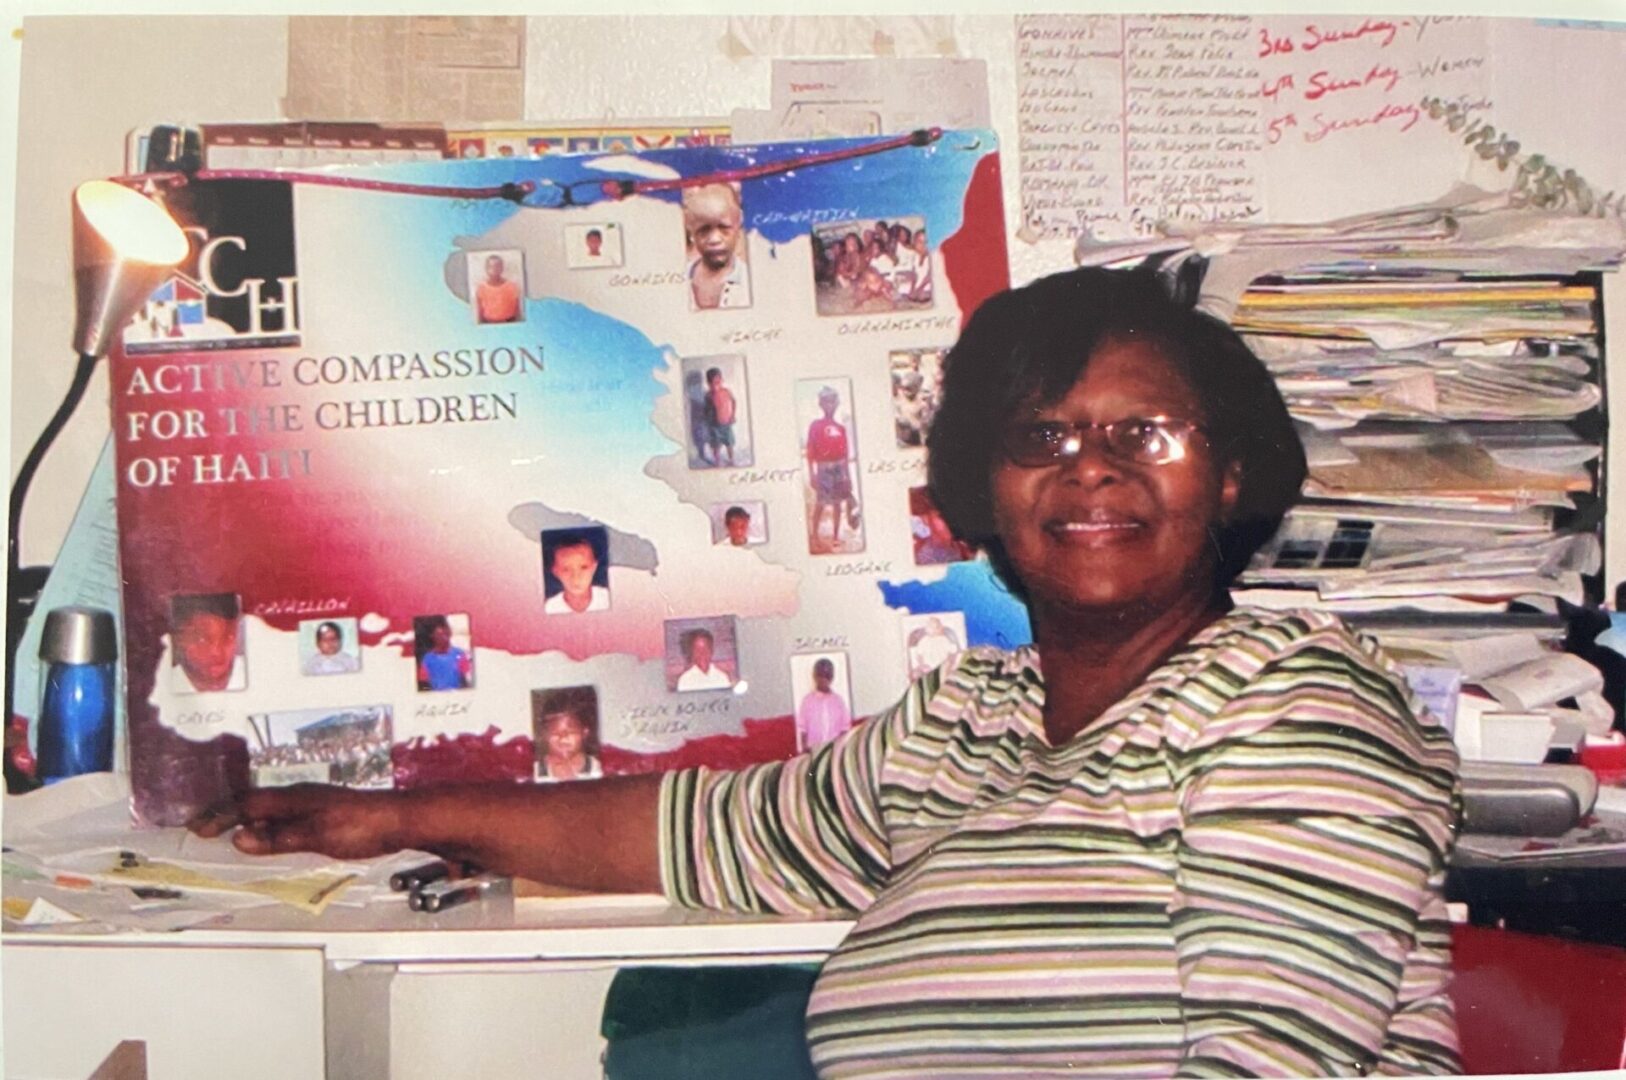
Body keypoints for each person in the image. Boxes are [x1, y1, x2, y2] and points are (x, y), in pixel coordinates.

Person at [198, 268, 1460, 1078]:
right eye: (1041, 436)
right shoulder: (969, 728)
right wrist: (391, 814)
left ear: (1230, 475)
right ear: (984, 491)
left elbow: (1276, 1061)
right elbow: (699, 829)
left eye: (1145, 432)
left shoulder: (1298, 706)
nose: (1090, 468)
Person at [805, 386, 859, 552]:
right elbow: (810, 451)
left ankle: (835, 536)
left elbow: (845, 455)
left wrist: (848, 477)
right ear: (821, 404)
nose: (830, 405)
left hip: (839, 470)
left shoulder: (841, 428)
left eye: (833, 401)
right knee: (821, 503)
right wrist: (812, 474)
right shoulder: (815, 425)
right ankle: (814, 535)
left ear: (837, 404)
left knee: (837, 504)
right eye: (826, 401)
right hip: (823, 469)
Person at [682, 183, 751, 310]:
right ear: (691, 230)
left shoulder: (749, 282)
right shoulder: (679, 279)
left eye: (724, 227)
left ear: (738, 222)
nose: (714, 239)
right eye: (704, 230)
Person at [172, 592, 246, 693]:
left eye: (228, 637)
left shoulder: (259, 673)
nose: (216, 652)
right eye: (202, 640)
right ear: (179, 639)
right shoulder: (161, 687)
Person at [535, 690, 603, 783]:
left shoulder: (598, 769)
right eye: (555, 732)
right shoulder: (535, 772)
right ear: (545, 735)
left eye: (570, 732)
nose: (562, 738)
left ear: (584, 733)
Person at [543, 533, 610, 614]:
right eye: (566, 570)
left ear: (594, 567)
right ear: (555, 571)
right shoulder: (550, 608)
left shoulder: (608, 598)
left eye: (584, 567)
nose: (576, 577)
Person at [795, 657, 851, 752]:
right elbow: (802, 728)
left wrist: (840, 749)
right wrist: (804, 750)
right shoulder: (807, 701)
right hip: (813, 750)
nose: (824, 680)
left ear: (832, 677)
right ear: (814, 676)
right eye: (820, 675)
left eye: (827, 676)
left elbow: (845, 728)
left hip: (833, 751)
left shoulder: (838, 701)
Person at [415, 616, 471, 691]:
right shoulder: (427, 659)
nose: (444, 637)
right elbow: (424, 684)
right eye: (439, 634)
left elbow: (465, 680)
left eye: (446, 633)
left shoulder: (459, 654)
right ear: (432, 636)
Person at [703, 367, 739, 467]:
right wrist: (707, 419)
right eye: (713, 383)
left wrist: (733, 415)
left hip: (727, 423)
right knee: (715, 445)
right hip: (714, 424)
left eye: (718, 382)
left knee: (729, 443)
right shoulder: (708, 395)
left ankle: (731, 459)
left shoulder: (726, 392)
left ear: (722, 380)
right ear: (708, 384)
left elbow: (734, 401)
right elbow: (706, 409)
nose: (716, 386)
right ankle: (717, 460)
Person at [474, 253, 522, 324]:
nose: (494, 270)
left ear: (502, 268)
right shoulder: (481, 288)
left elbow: (517, 310)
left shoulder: (511, 286)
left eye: (497, 266)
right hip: (488, 323)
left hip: (509, 322)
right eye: (491, 267)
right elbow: (479, 311)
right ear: (486, 269)